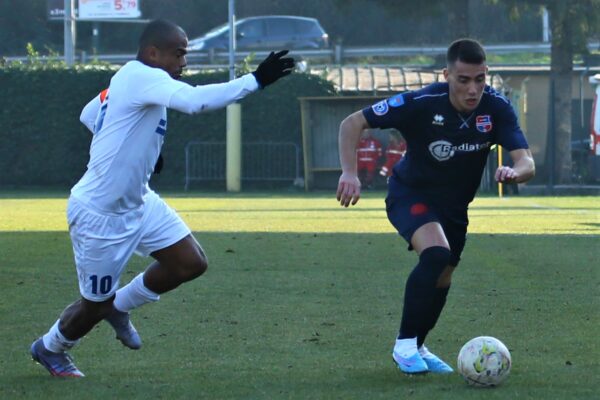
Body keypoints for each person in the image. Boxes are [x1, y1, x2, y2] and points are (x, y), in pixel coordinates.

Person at [30, 19, 294, 377]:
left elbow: (90, 113)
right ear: (153, 53)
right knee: (92, 307)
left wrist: (141, 152)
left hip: (138, 201)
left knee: (189, 262)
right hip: (101, 213)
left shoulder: (132, 78)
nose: (183, 62)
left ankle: (118, 306)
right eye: (178, 54)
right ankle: (51, 347)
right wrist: (256, 80)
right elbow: (195, 102)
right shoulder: (142, 76)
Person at [336, 38, 534, 375]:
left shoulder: (497, 108)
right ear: (447, 75)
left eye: (480, 79)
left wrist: (515, 172)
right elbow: (352, 123)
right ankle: (404, 346)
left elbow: (527, 161)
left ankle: (419, 346)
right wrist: (350, 173)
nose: (473, 89)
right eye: (464, 80)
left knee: (443, 276)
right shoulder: (422, 102)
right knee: (436, 254)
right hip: (410, 194)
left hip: (454, 208)